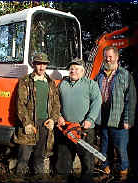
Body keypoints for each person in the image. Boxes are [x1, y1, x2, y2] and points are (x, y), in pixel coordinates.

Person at [54, 58, 102, 180]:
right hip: (65, 129)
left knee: (87, 160)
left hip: (84, 130)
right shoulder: (62, 84)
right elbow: (55, 102)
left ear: (82, 71)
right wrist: (58, 116)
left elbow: (97, 101)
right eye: (71, 68)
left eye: (76, 69)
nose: (73, 71)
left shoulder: (91, 84)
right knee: (63, 160)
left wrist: (90, 119)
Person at [14, 52, 60, 178]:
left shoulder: (51, 83)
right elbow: (20, 105)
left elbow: (56, 104)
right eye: (39, 64)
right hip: (30, 125)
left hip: (45, 124)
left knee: (39, 157)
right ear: (34, 65)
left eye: (44, 64)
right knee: (23, 158)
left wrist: (52, 120)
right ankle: (18, 178)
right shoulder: (25, 81)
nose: (41, 67)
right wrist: (26, 123)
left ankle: (38, 179)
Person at [95, 46, 137, 182]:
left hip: (118, 119)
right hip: (103, 118)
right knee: (104, 147)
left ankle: (123, 173)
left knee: (120, 148)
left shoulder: (125, 75)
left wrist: (127, 120)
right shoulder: (99, 75)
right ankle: (105, 170)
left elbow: (130, 99)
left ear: (117, 57)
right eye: (105, 57)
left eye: (110, 56)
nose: (107, 59)